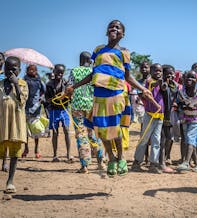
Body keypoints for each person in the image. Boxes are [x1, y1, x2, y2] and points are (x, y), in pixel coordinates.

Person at [65, 20, 152, 177]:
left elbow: (127, 76)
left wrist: (142, 88)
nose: (114, 28)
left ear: (122, 34)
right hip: (99, 94)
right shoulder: (98, 50)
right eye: (111, 26)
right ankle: (111, 158)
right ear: (106, 32)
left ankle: (121, 158)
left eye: (118, 27)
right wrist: (74, 86)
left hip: (116, 93)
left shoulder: (124, 52)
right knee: (101, 129)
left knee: (115, 128)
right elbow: (93, 73)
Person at [0, 56, 28, 193]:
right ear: (4, 69)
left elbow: (22, 101)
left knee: (15, 154)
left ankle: (10, 182)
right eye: (7, 68)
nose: (10, 72)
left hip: (16, 124)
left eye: (14, 69)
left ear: (19, 70)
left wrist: (15, 84)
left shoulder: (22, 84)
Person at [69, 51, 105, 173]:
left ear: (80, 60)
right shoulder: (94, 72)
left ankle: (84, 165)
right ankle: (101, 162)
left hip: (77, 107)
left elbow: (69, 88)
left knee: (81, 134)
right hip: (92, 106)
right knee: (94, 133)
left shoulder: (74, 71)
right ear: (90, 61)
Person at [132, 63, 164, 173]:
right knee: (144, 139)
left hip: (160, 116)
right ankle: (137, 162)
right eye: (156, 71)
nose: (158, 73)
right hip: (150, 115)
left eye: (160, 71)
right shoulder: (150, 82)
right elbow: (147, 95)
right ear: (151, 72)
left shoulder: (162, 83)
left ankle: (153, 164)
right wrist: (155, 104)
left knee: (156, 140)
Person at [176, 70, 197, 172]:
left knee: (190, 138)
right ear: (183, 79)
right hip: (185, 118)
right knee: (190, 141)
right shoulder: (181, 92)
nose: (189, 79)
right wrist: (182, 107)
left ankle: (186, 162)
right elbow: (178, 103)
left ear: (196, 79)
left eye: (192, 77)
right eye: (187, 77)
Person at [45, 64, 72, 163]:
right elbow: (47, 99)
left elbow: (70, 96)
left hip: (64, 109)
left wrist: (67, 95)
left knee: (66, 130)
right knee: (55, 132)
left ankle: (68, 154)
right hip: (53, 110)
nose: (59, 74)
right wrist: (54, 99)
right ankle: (55, 155)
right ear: (54, 71)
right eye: (57, 72)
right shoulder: (49, 84)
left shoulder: (66, 83)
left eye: (61, 73)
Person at [22, 64, 46, 159]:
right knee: (25, 130)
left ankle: (36, 149)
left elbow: (44, 92)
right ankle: (26, 148)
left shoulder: (39, 81)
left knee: (36, 129)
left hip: (36, 108)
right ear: (27, 71)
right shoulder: (24, 80)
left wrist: (40, 100)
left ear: (36, 71)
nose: (32, 71)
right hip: (25, 108)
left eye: (34, 70)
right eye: (30, 70)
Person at [159, 64, 178, 173]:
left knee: (169, 138)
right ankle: (161, 163)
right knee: (162, 139)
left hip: (169, 115)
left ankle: (165, 158)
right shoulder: (163, 84)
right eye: (167, 73)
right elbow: (163, 89)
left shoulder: (174, 86)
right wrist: (164, 82)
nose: (170, 75)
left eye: (172, 73)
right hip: (160, 114)